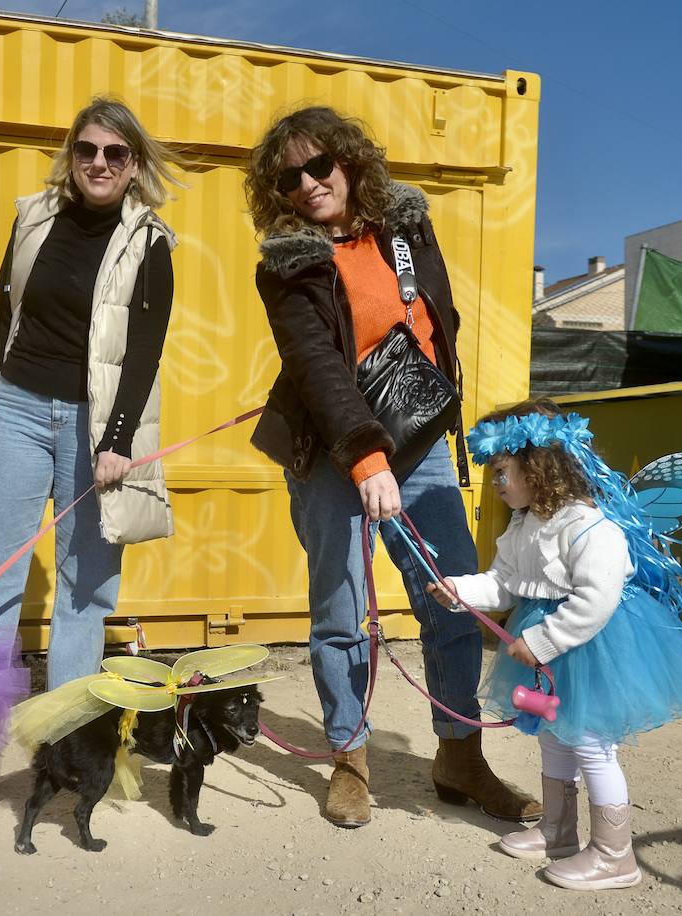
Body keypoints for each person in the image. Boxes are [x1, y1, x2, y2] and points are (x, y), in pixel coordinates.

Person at [243, 105, 543, 829]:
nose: (308, 183)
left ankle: (460, 758)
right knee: (342, 612)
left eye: (320, 166)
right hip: (332, 451)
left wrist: (422, 408)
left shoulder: (407, 228)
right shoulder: (287, 266)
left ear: (349, 162)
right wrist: (366, 454)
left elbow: (441, 321)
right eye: (289, 178)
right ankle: (349, 758)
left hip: (418, 444)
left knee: (453, 595)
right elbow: (317, 366)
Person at [0, 97, 184, 690]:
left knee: (84, 587)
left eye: (114, 152)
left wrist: (116, 442)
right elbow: (0, 314)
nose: (99, 163)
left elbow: (143, 355)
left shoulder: (150, 244)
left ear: (134, 162)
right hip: (15, 408)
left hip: (93, 427)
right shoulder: (34, 217)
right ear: (72, 156)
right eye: (87, 149)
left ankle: (65, 738)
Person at [428, 398, 682, 891]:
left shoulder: (588, 524)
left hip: (591, 646)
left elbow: (597, 598)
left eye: (503, 471)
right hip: (549, 646)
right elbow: (505, 584)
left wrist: (544, 640)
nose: (497, 484)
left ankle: (615, 856)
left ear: (539, 466)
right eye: (494, 474)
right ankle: (558, 832)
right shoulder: (523, 524)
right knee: (555, 733)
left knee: (591, 744)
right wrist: (461, 591)